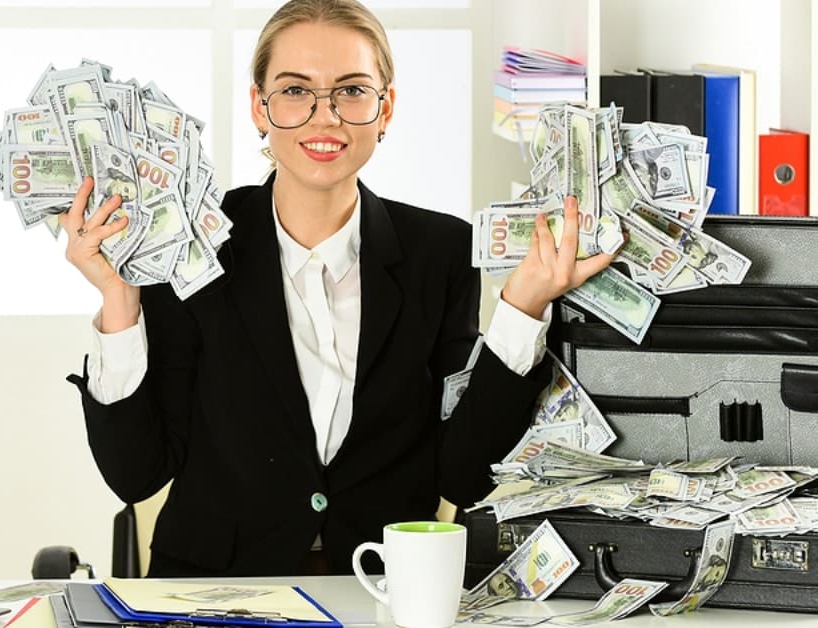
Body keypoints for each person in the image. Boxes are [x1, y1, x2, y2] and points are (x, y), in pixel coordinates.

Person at [61, 0, 615, 577]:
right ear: (259, 106)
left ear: (385, 108)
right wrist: (119, 300)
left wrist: (523, 307)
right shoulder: (192, 246)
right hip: (220, 595)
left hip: (383, 587)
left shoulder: (441, 252)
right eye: (296, 91)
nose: (325, 118)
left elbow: (464, 475)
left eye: (351, 91)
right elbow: (137, 474)